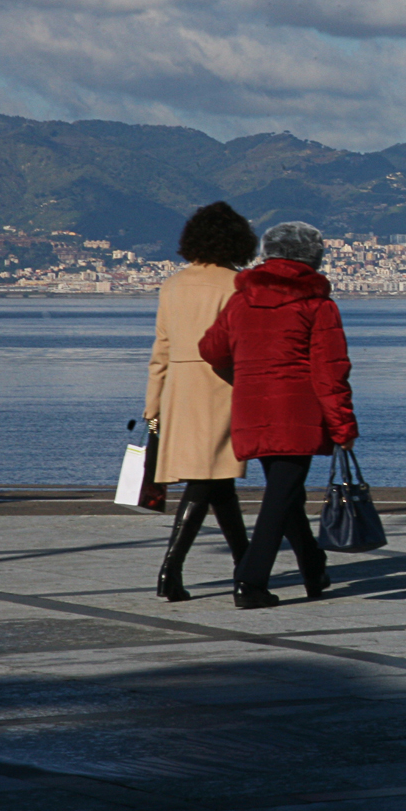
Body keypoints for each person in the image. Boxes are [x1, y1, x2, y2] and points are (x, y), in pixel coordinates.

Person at [199, 222, 357, 609]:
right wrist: (343, 425)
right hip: (296, 411)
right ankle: (250, 581)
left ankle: (313, 567)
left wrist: (248, 372)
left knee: (287, 495)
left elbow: (211, 348)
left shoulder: (242, 300)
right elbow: (330, 372)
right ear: (314, 258)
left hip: (252, 407)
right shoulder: (317, 305)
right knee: (280, 498)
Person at [146, 202, 259, 601]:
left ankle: (245, 566)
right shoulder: (237, 284)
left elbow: (160, 349)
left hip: (179, 387)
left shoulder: (172, 285)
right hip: (221, 385)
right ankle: (170, 570)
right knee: (206, 478)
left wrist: (153, 406)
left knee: (217, 482)